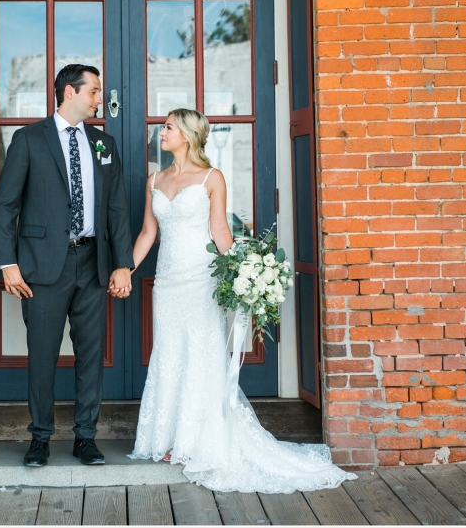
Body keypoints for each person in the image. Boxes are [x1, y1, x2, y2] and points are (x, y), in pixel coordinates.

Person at [127, 108, 357, 494]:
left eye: (167, 127)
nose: (160, 132)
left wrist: (245, 276)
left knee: (201, 355)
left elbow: (219, 230)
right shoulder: (155, 179)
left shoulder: (212, 178)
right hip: (167, 283)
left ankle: (196, 442)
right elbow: (149, 232)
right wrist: (125, 270)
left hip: (202, 280)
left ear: (186, 135)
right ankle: (169, 438)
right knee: (169, 352)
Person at [0, 64, 135, 468]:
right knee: (42, 355)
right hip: (41, 267)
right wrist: (8, 264)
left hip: (93, 264)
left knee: (90, 355)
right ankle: (39, 438)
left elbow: (118, 211)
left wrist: (122, 264)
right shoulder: (28, 140)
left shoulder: (104, 144)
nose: (99, 99)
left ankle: (85, 438)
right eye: (93, 92)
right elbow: (5, 207)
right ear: (70, 92)